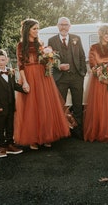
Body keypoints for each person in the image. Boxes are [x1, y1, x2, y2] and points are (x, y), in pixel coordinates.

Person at [15, 18, 70, 149]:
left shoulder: (40, 43)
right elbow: (20, 65)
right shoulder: (21, 45)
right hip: (29, 76)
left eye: (38, 28)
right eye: (34, 28)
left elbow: (44, 60)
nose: (37, 31)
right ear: (27, 30)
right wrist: (25, 82)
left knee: (45, 106)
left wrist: (49, 60)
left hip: (43, 76)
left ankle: (46, 136)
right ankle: (34, 138)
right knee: (32, 108)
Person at [48, 17, 87, 139]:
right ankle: (62, 130)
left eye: (66, 25)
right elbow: (50, 58)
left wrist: (82, 72)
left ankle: (78, 130)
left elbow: (82, 55)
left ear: (70, 26)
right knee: (60, 105)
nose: (64, 27)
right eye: (61, 25)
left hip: (76, 77)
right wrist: (59, 66)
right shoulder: (52, 40)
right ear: (57, 26)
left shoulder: (76, 38)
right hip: (61, 78)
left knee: (77, 105)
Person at [0, 49, 25, 158]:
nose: (1, 62)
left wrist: (25, 89)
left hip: (10, 105)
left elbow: (13, 85)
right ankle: (1, 147)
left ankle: (10, 145)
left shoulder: (11, 71)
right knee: (0, 128)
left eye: (3, 60)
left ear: (7, 60)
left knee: (10, 126)